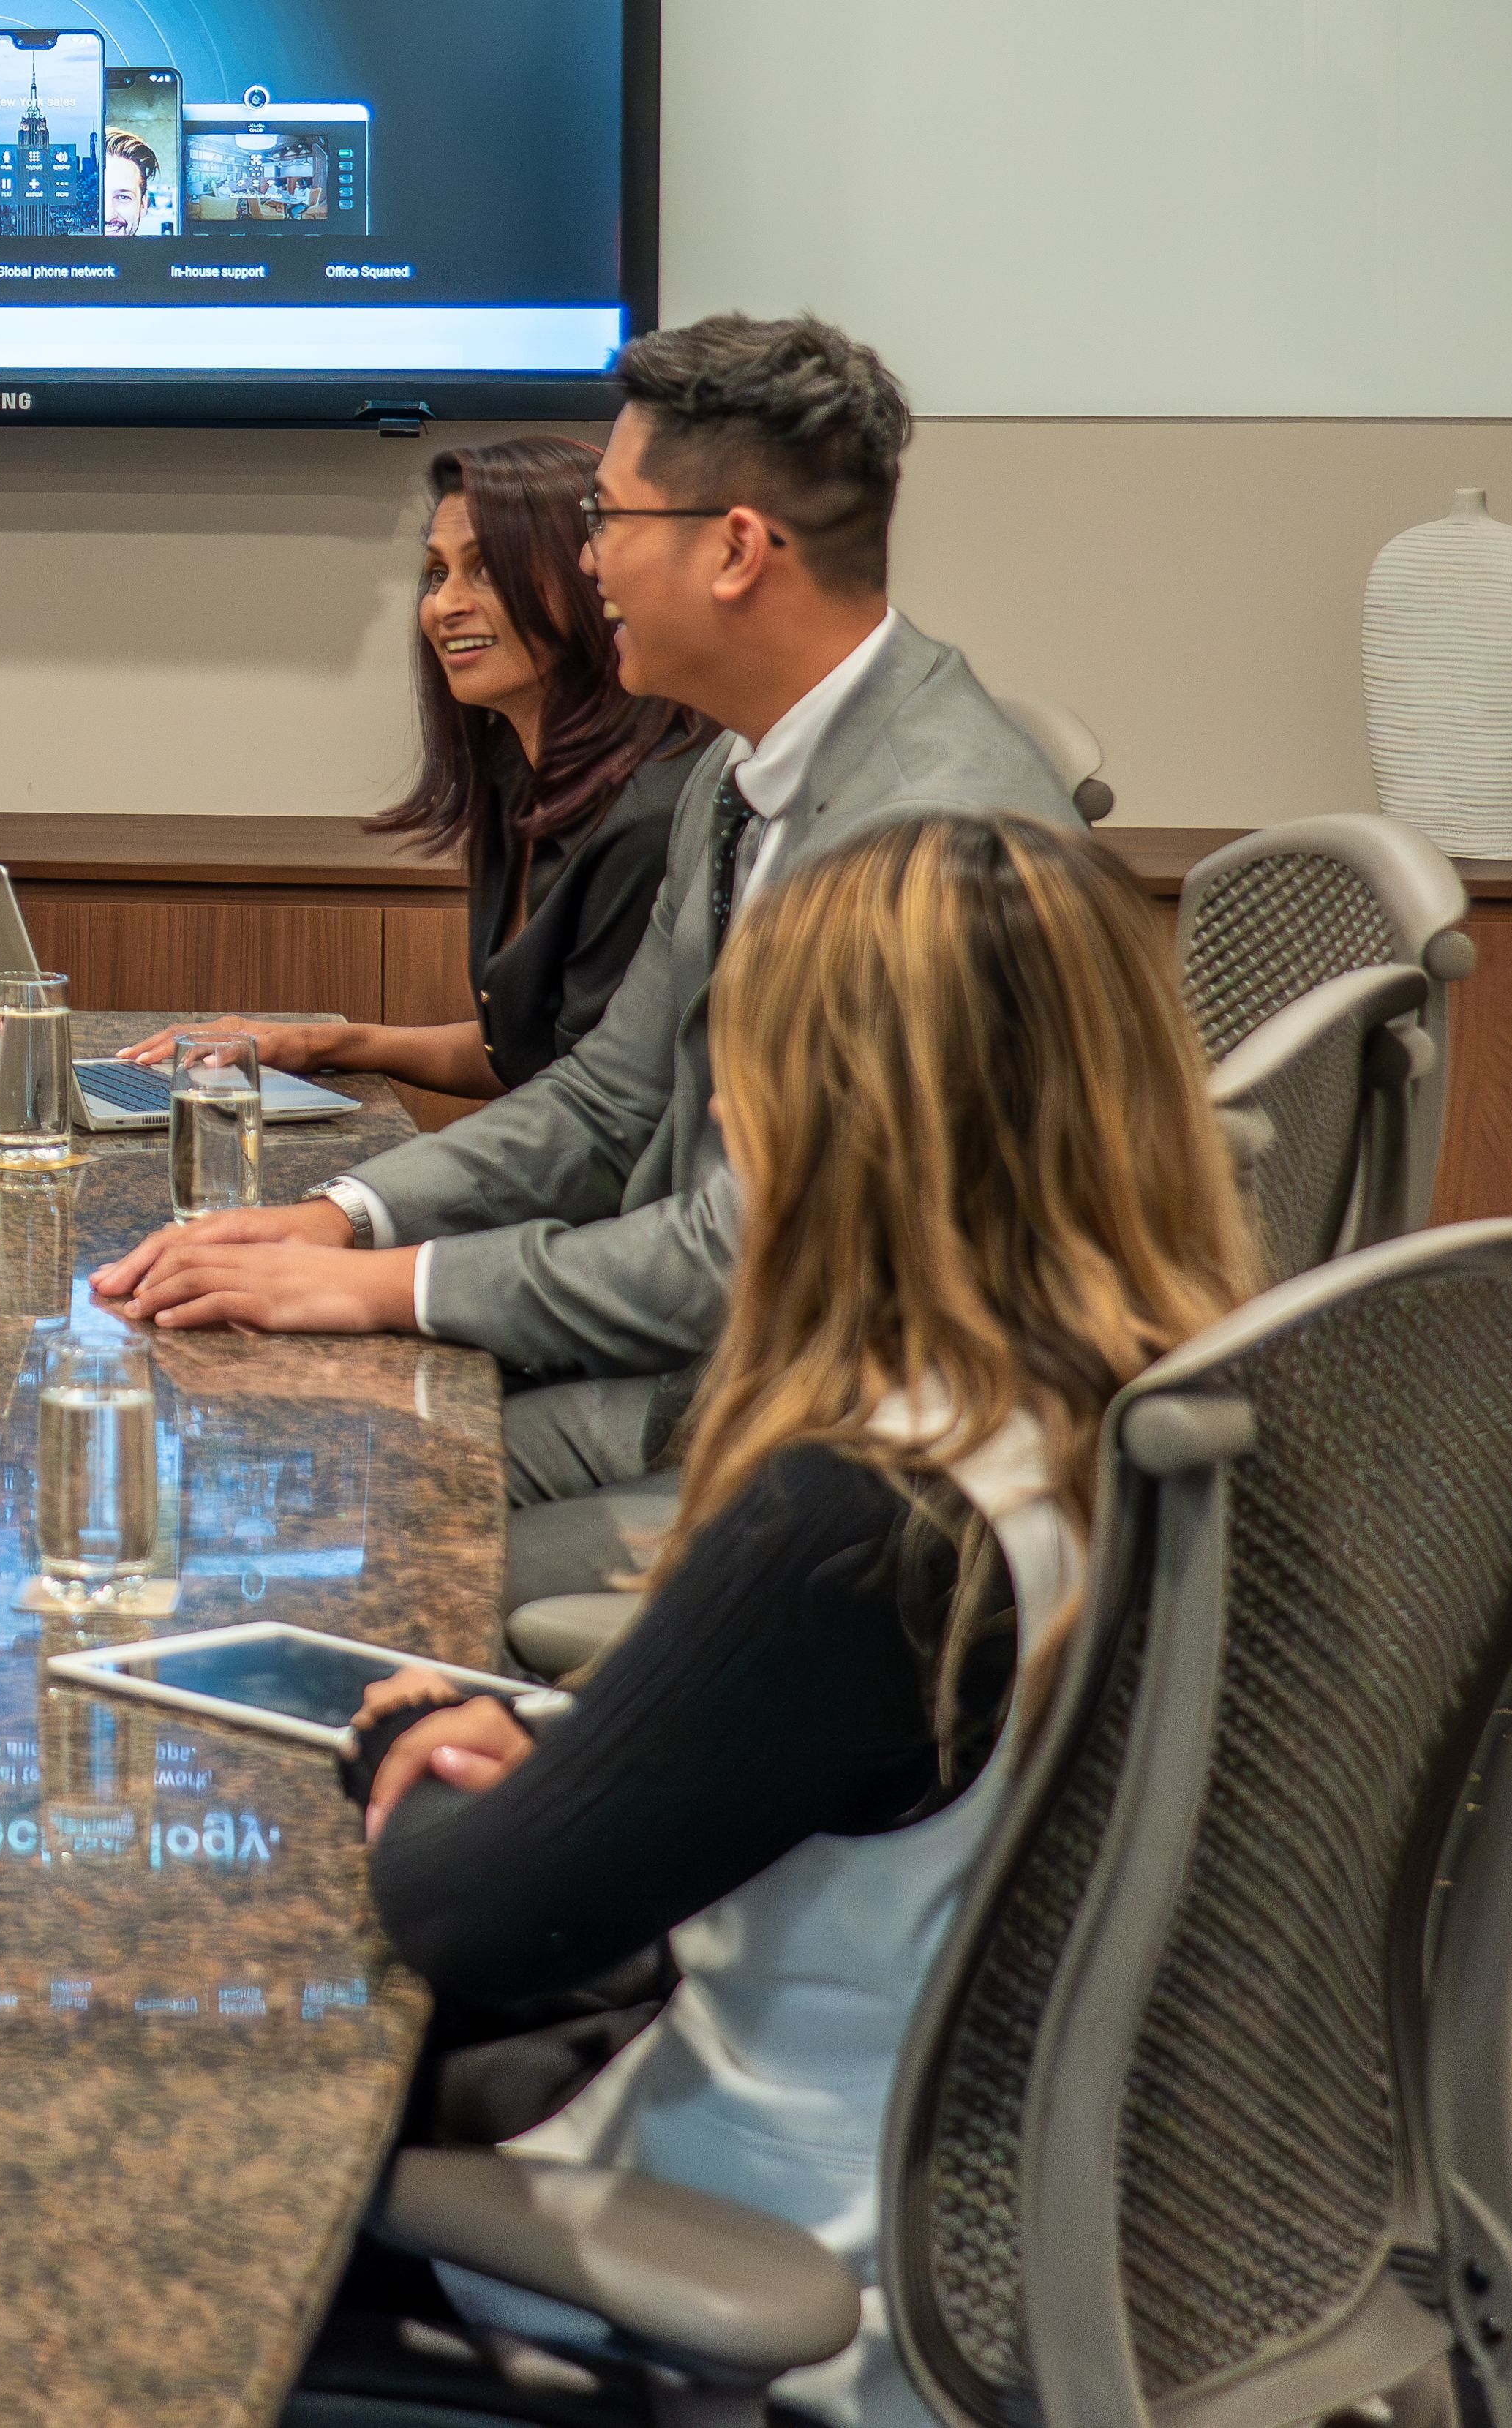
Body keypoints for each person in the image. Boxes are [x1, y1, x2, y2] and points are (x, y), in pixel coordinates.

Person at [326, 814, 1257, 2422]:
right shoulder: (1162, 1404)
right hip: (1016, 2185)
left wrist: (406, 1731)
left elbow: (470, 1916)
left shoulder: (867, 1516)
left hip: (780, 2238)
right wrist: (571, 1741)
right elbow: (822, 1758)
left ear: (817, 1119)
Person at [98, 314, 1084, 1610]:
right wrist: (345, 1215)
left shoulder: (925, 838)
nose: (587, 556)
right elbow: (608, 1095)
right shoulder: (744, 768)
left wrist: (382, 1283)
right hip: (718, 1380)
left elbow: (751, 1258)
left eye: (609, 518)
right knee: (276, 1451)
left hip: (851, 1468)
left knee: (344, 1543)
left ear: (734, 548)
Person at [124, 430, 691, 1113]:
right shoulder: (517, 779)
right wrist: (319, 1044)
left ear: (590, 576)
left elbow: (592, 1111)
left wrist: (361, 1210)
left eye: (486, 569)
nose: (445, 604)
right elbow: (520, 1054)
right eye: (437, 572)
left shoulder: (646, 822)